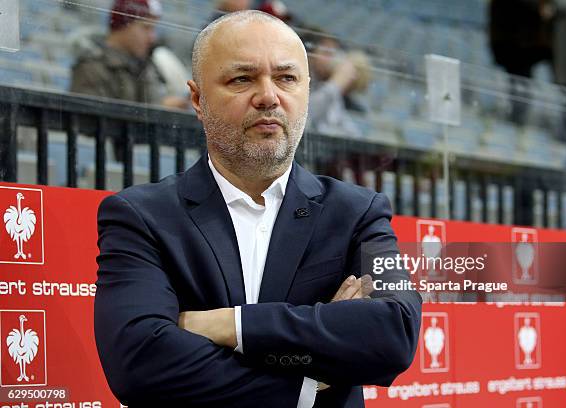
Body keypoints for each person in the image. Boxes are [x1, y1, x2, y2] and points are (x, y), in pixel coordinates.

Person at [94, 10, 422, 408]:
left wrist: (230, 325)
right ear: (197, 99)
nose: (268, 96)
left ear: (306, 89)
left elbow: (395, 334)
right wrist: (312, 380)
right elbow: (139, 364)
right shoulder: (141, 216)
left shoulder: (359, 213)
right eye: (242, 79)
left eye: (286, 78)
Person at [70, 0, 187, 109]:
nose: (152, 37)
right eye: (146, 28)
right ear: (124, 24)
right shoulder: (91, 68)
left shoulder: (144, 65)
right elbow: (91, 122)